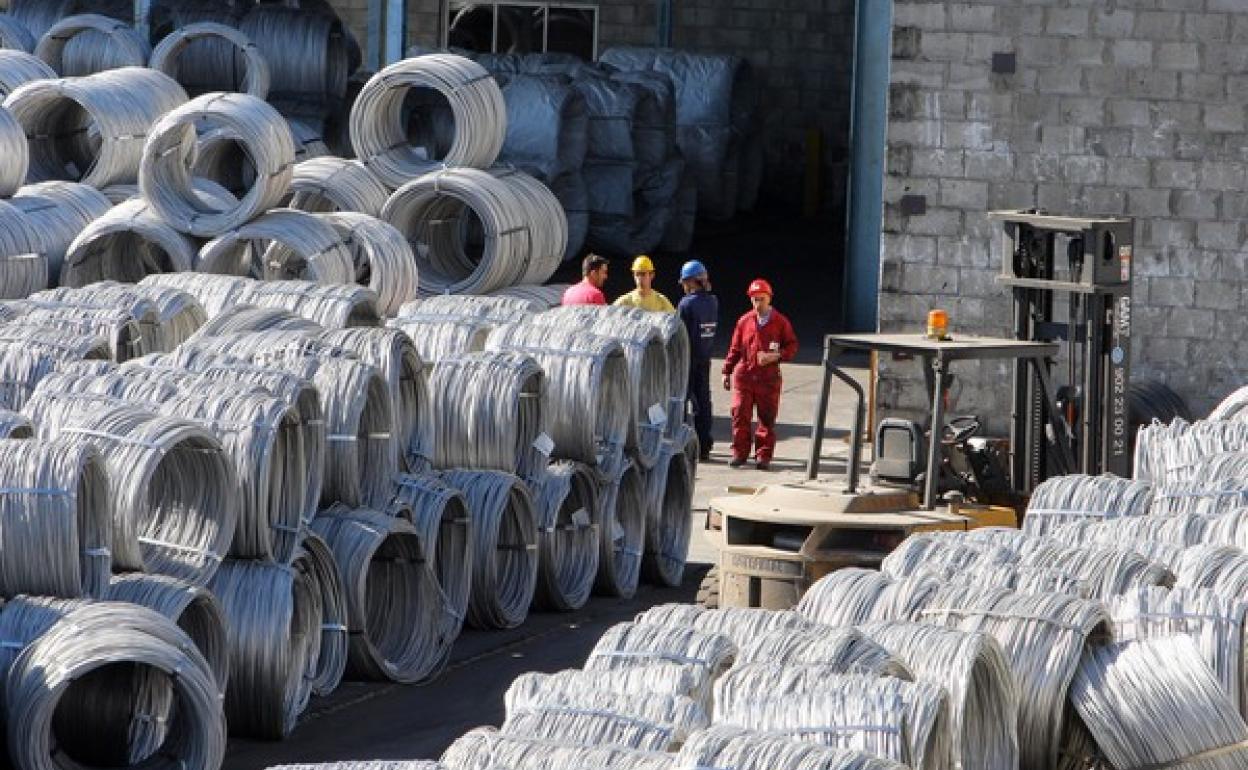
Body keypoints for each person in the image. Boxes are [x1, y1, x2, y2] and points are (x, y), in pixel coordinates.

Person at [722, 278, 798, 471]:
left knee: (766, 418)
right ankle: (739, 453)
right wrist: (727, 371)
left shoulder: (780, 322)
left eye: (761, 299)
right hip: (745, 376)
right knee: (740, 413)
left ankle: (763, 456)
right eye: (754, 299)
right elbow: (735, 348)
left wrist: (776, 356)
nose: (757, 304)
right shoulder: (744, 321)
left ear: (769, 299)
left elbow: (792, 345)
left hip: (768, 378)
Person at [677, 260, 717, 461]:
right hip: (705, 358)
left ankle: (683, 443)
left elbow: (679, 334)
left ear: (691, 282)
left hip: (688, 359)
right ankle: (704, 445)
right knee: (703, 402)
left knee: (681, 401)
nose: (684, 287)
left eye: (685, 282)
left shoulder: (686, 304)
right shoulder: (713, 302)